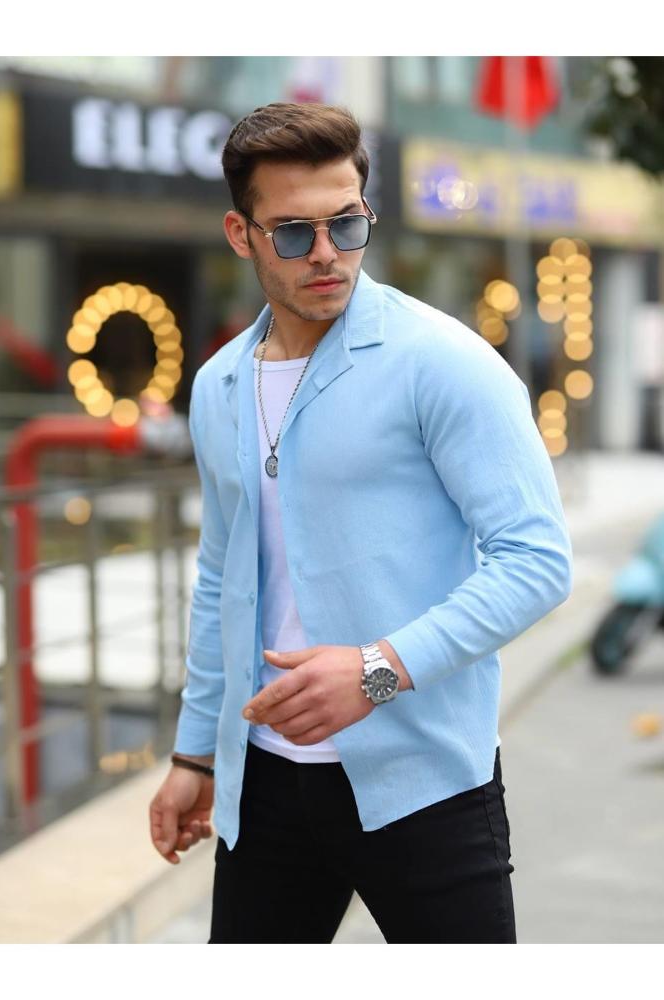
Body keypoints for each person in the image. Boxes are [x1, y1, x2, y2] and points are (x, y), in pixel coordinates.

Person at [148, 102, 573, 944]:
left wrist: (378, 670)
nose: (327, 253)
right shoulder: (221, 383)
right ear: (240, 235)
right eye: (293, 232)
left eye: (346, 224)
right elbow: (223, 575)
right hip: (264, 783)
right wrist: (197, 755)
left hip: (424, 784)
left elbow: (536, 561)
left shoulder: (442, 362)